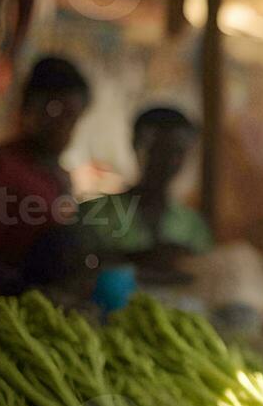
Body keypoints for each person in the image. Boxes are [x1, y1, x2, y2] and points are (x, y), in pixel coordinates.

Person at [0, 57, 90, 295]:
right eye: (53, 110)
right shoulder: (0, 166)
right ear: (27, 107)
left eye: (71, 114)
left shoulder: (60, 176)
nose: (61, 124)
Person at [79, 106, 214, 280]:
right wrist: (138, 258)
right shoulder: (95, 213)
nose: (168, 160)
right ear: (136, 147)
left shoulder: (193, 226)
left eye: (178, 151)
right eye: (158, 150)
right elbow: (76, 267)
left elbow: (205, 275)